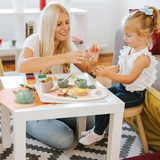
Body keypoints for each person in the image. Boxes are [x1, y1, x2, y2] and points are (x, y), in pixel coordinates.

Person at [18, 2, 100, 150]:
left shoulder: (67, 44)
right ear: (49, 25)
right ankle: (27, 124)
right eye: (59, 24)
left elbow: (89, 71)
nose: (66, 28)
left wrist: (93, 62)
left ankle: (55, 124)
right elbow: (22, 65)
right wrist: (63, 58)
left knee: (94, 122)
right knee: (64, 140)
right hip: (36, 108)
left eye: (67, 22)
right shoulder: (34, 40)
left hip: (59, 104)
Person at [79, 5, 160, 145]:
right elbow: (119, 68)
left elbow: (129, 79)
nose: (124, 38)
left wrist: (107, 74)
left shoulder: (142, 58)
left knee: (108, 103)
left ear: (142, 36)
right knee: (101, 96)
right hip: (123, 89)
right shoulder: (130, 50)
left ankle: (97, 134)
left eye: (128, 35)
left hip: (135, 95)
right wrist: (103, 69)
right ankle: (98, 129)